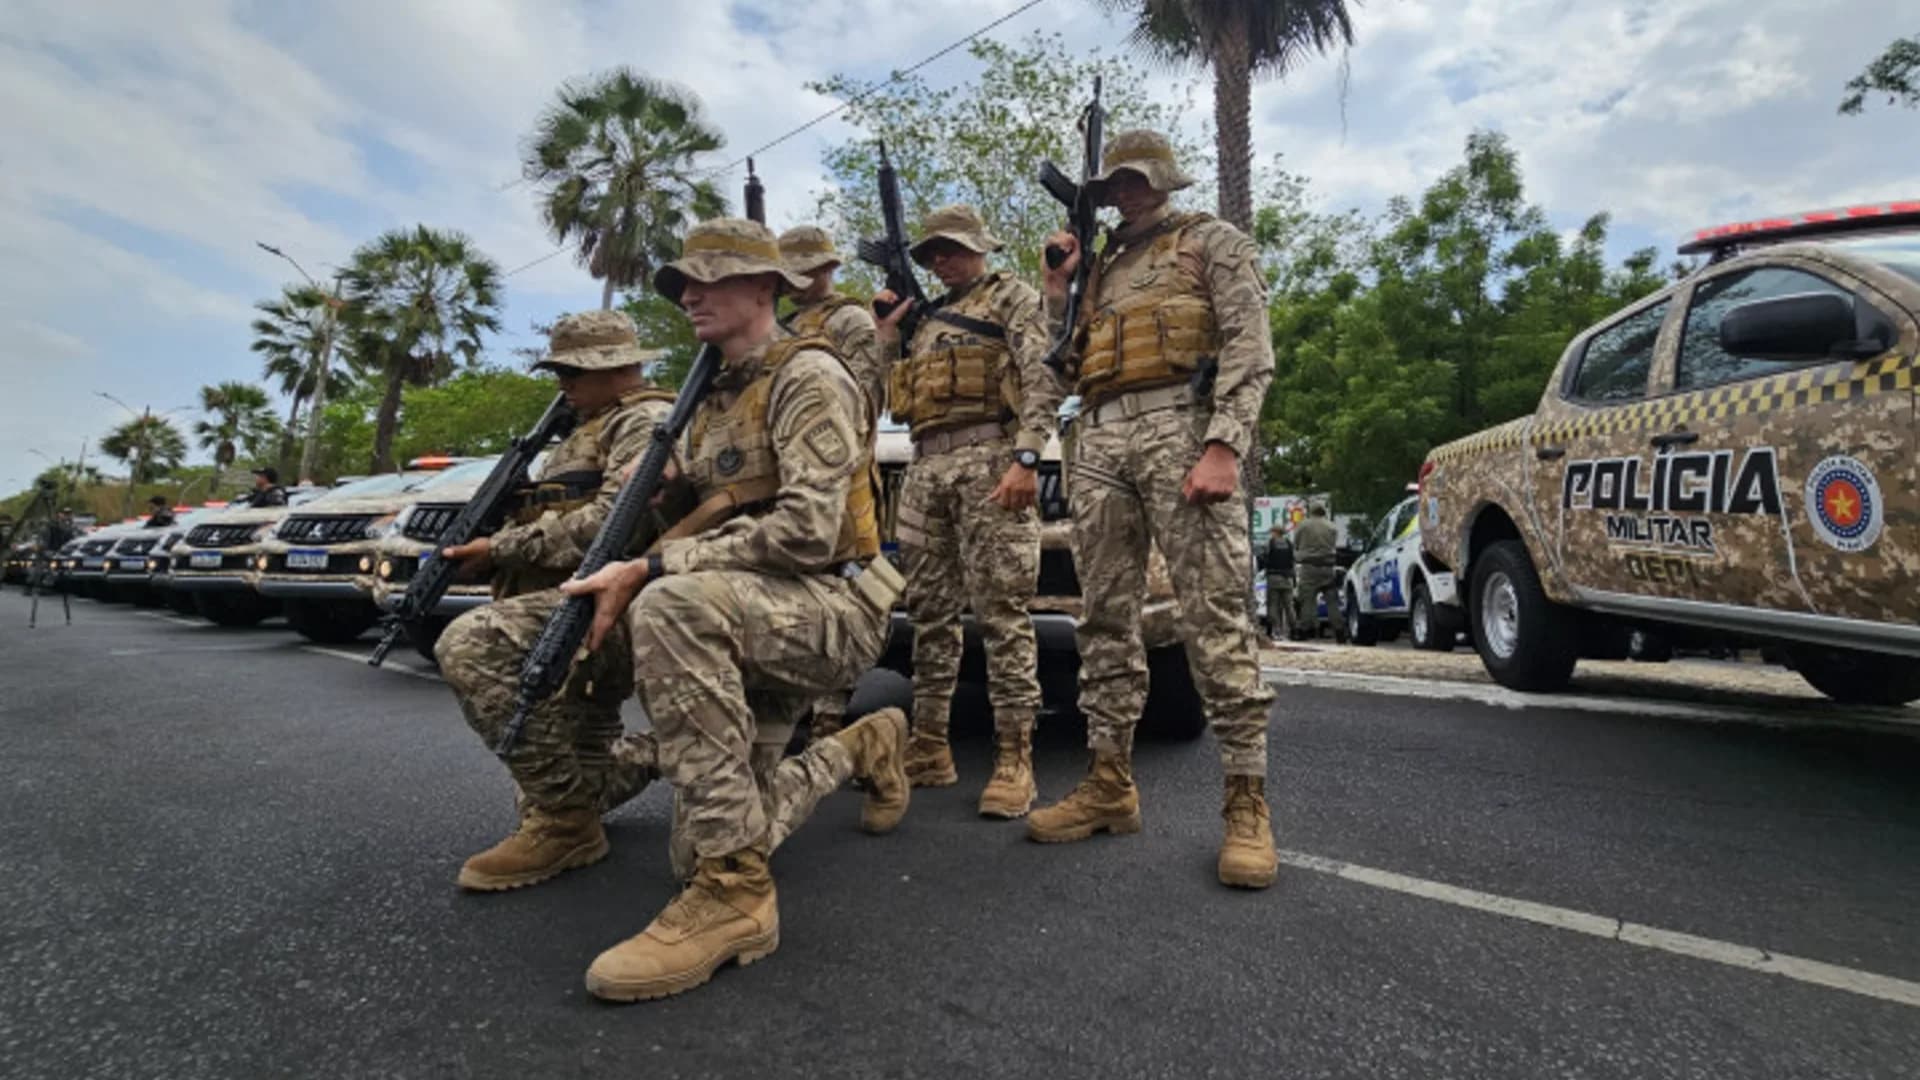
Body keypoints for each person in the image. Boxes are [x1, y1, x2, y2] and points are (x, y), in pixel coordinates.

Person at [557, 217, 909, 1002]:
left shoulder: (808, 375)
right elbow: (720, 507)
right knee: (710, 826)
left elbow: (809, 530)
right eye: (683, 282)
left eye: (707, 278)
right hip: (756, 608)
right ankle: (860, 748)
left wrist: (654, 562)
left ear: (763, 287)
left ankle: (735, 893)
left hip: (835, 606)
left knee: (670, 604)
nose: (687, 295)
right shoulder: (711, 397)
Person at [1030, 129, 1278, 889]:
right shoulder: (1099, 268)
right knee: (1104, 617)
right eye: (1113, 185)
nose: (1125, 193)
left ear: (1164, 181)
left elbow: (1249, 345)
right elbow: (1066, 364)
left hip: (1180, 430)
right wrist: (1059, 291)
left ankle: (1246, 805)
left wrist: (1225, 444)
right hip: (1098, 440)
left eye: (1136, 180)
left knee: (1213, 613)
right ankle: (1109, 783)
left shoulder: (1209, 241)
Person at [431, 310, 685, 892]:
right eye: (560, 369)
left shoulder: (646, 420)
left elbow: (611, 525)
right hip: (566, 608)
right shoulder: (578, 430)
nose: (562, 382)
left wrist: (500, 549)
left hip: (617, 611)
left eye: (574, 369)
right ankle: (660, 753)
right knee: (572, 775)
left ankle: (567, 826)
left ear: (620, 368)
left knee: (470, 644)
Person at [871, 204, 1064, 819]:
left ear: (980, 246)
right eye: (932, 254)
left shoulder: (1010, 298)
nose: (941, 260)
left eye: (951, 249)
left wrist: (1027, 457)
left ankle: (1014, 757)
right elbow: (883, 393)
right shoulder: (922, 321)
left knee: (1002, 614)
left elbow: (1043, 377)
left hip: (990, 460)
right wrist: (885, 336)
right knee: (929, 613)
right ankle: (931, 744)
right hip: (925, 469)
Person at [778, 225, 884, 744]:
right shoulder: (784, 324)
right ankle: (793, 706)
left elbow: (864, 400)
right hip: (786, 475)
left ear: (826, 269)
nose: (798, 281)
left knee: (840, 591)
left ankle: (829, 715)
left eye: (806, 269)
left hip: (838, 473)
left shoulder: (850, 320)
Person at [1292, 504, 1340, 642]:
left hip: (1309, 568)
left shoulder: (1303, 526)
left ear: (1310, 512)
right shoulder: (1332, 527)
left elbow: (1296, 544)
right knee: (1332, 602)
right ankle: (1340, 631)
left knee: (1307, 601)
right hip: (1328, 568)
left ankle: (1305, 631)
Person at [1263, 525, 1295, 642]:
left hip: (1274, 578)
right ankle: (1293, 629)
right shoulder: (1289, 543)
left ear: (1276, 532)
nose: (1271, 534)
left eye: (1272, 532)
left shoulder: (1270, 543)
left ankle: (1275, 630)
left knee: (1273, 605)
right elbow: (1292, 560)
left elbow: (1265, 558)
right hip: (1287, 579)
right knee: (1289, 606)